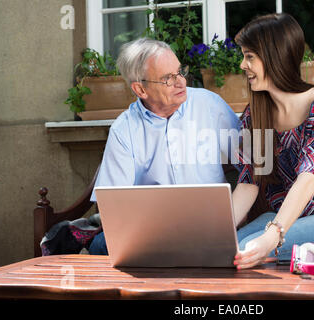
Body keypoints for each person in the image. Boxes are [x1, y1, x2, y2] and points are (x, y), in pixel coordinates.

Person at [231, 13, 314, 269]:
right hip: (277, 218)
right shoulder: (254, 115)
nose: (242, 65)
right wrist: (213, 235)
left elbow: (309, 177)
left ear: (274, 56)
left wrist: (272, 236)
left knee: (243, 252)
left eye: (250, 57)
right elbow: (248, 184)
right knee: (227, 246)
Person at [88, 38, 240, 254]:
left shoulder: (210, 105)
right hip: (152, 235)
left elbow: (250, 163)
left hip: (212, 226)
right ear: (140, 89)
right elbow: (111, 205)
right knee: (100, 245)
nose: (181, 82)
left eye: (180, 72)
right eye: (168, 79)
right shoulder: (124, 129)